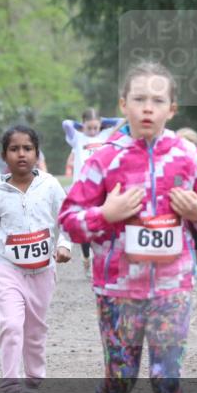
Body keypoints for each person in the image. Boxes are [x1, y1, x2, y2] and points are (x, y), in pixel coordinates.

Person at [59, 62, 197, 393]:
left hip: (173, 287)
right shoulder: (103, 158)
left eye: (157, 100)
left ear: (172, 108)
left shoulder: (187, 157)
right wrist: (104, 216)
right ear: (122, 106)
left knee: (166, 378)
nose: (147, 108)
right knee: (121, 379)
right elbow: (71, 221)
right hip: (118, 291)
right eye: (139, 99)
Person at [0, 125, 72, 393]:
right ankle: (11, 392)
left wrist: (64, 244)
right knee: (12, 326)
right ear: (5, 155)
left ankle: (32, 387)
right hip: (8, 270)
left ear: (36, 153)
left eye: (27, 148)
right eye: (14, 149)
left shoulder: (51, 186)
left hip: (43, 272)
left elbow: (66, 219)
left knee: (35, 331)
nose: (21, 154)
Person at [62, 109, 123, 278]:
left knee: (104, 222)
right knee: (85, 223)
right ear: (83, 125)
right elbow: (66, 123)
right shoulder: (78, 138)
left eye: (96, 127)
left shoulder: (105, 135)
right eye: (89, 127)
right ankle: (86, 256)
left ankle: (102, 260)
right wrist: (80, 126)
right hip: (83, 187)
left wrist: (104, 120)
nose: (93, 131)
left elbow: (122, 121)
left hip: (103, 186)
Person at [175, 128, 197, 281]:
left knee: (195, 234)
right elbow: (174, 183)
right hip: (177, 203)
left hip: (193, 203)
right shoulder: (173, 162)